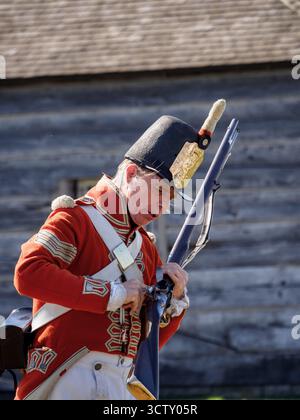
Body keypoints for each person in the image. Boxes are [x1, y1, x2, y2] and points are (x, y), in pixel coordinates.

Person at [14, 115, 202, 400]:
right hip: (65, 378)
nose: (162, 207)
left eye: (169, 199)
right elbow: (28, 274)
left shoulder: (146, 248)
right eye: (159, 192)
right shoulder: (74, 219)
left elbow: (146, 345)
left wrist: (172, 300)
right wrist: (111, 294)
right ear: (129, 175)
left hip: (120, 384)